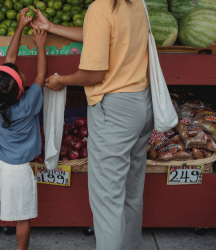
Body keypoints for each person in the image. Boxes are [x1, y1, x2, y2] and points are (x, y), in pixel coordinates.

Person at [31, 0, 154, 249]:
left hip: (115, 111)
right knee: (131, 192)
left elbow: (93, 74)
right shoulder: (136, 3)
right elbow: (101, 34)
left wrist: (61, 81)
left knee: (107, 200)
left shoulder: (100, 8)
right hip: (141, 103)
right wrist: (51, 26)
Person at [0, 8, 48, 250]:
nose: (18, 69)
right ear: (19, 88)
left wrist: (18, 26)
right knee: (22, 218)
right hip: (18, 171)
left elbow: (10, 59)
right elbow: (42, 73)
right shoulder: (29, 102)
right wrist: (39, 44)